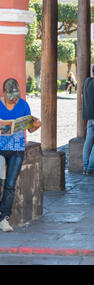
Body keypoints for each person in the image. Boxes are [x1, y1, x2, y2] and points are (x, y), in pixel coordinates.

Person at [0, 78, 41, 232]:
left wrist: (36, 125)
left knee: (10, 185)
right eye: (11, 97)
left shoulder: (23, 105)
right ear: (4, 93)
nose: (14, 100)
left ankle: (4, 218)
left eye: (16, 96)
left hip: (17, 149)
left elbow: (30, 129)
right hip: (0, 149)